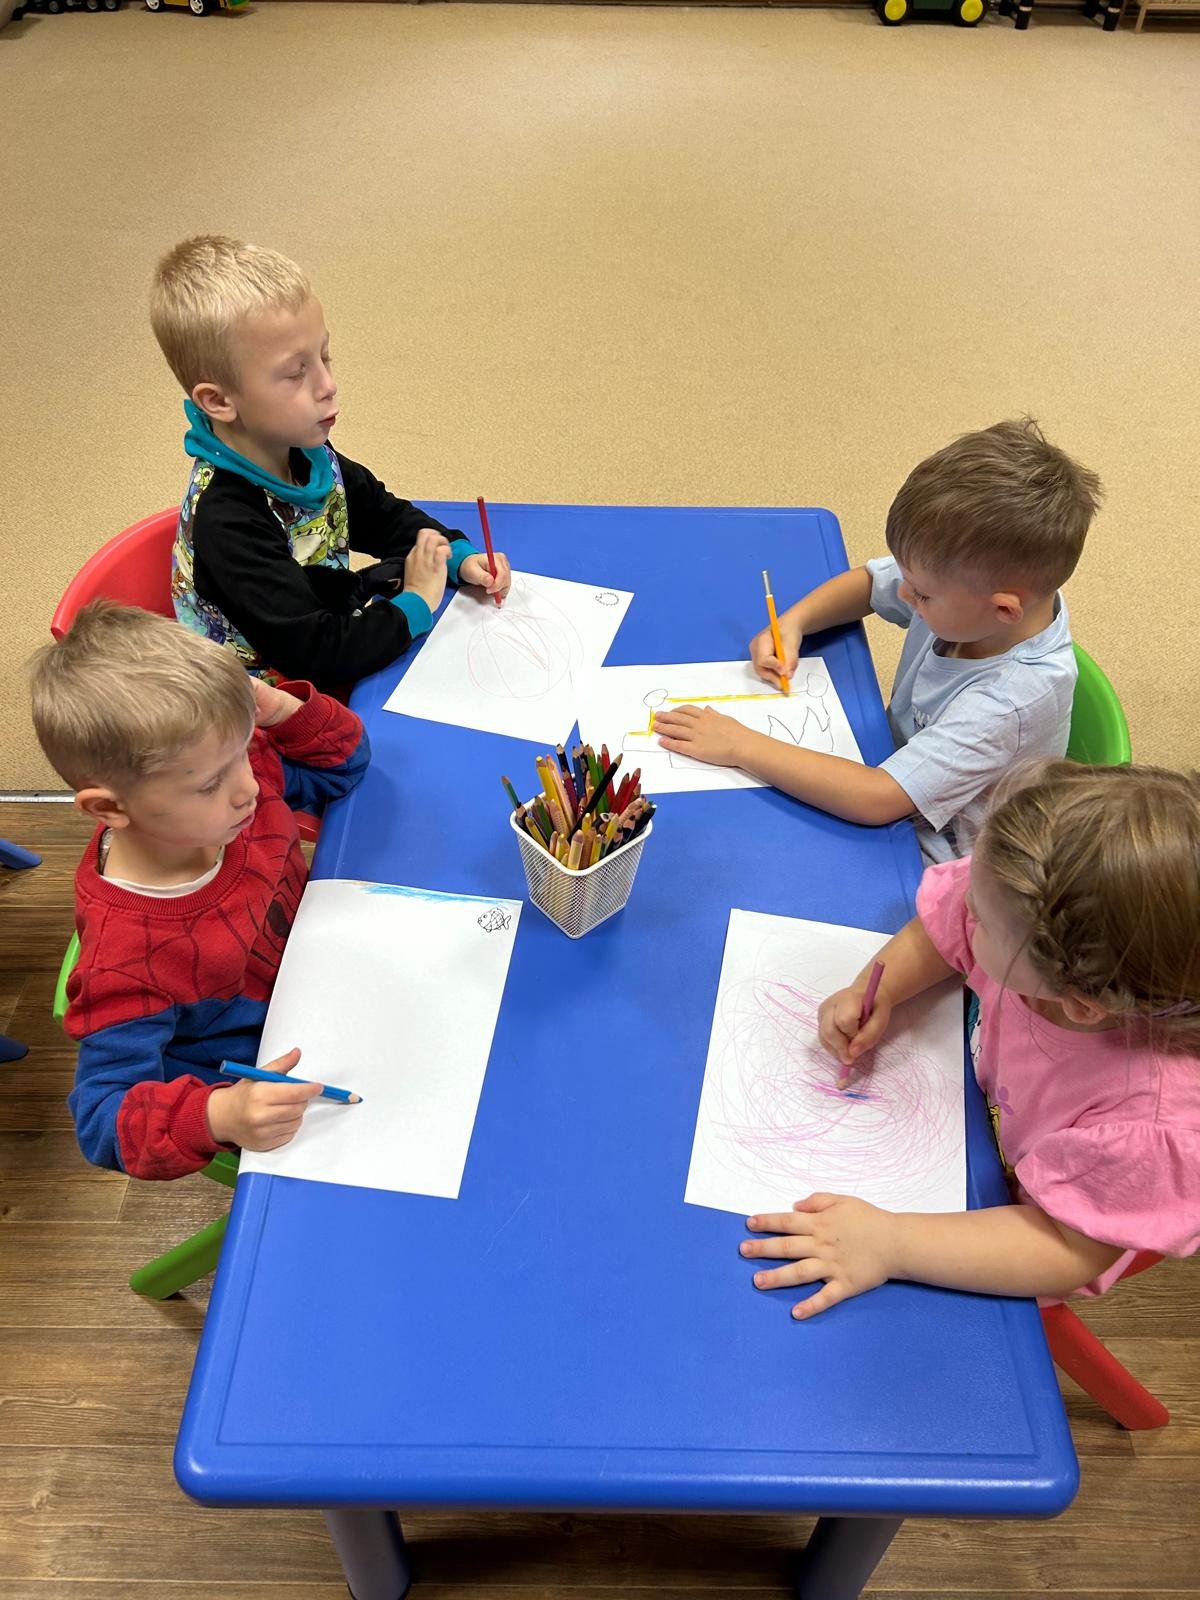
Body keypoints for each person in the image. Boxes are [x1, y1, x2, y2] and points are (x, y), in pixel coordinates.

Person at [739, 761, 1200, 1319]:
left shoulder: (1146, 1125)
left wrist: (891, 1244)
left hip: (1019, 1235)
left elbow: (1066, 1250)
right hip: (978, 1131)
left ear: (1079, 1002)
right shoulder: (1024, 923)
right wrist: (875, 989)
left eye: (982, 920)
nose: (966, 911)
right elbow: (945, 927)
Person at [653, 419, 1103, 861]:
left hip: (944, 856)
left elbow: (878, 799)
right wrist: (794, 622)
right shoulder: (973, 598)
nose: (905, 594)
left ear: (1004, 609)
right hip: (891, 769)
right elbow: (869, 584)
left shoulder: (1008, 702)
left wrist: (741, 746)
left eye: (920, 594)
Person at [28, 601, 370, 1179]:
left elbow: (344, 765)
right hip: (282, 1073)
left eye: (244, 750)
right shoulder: (128, 959)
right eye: (213, 782)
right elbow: (101, 1120)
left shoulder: (229, 780)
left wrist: (277, 710)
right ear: (109, 808)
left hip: (333, 972)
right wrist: (220, 1116)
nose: (250, 787)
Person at [150, 234, 512, 687]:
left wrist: (454, 554)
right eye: (296, 372)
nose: (328, 385)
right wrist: (417, 602)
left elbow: (382, 515)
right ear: (220, 401)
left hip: (316, 622)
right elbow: (317, 654)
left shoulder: (302, 448)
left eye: (324, 356)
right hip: (263, 690)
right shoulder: (227, 520)